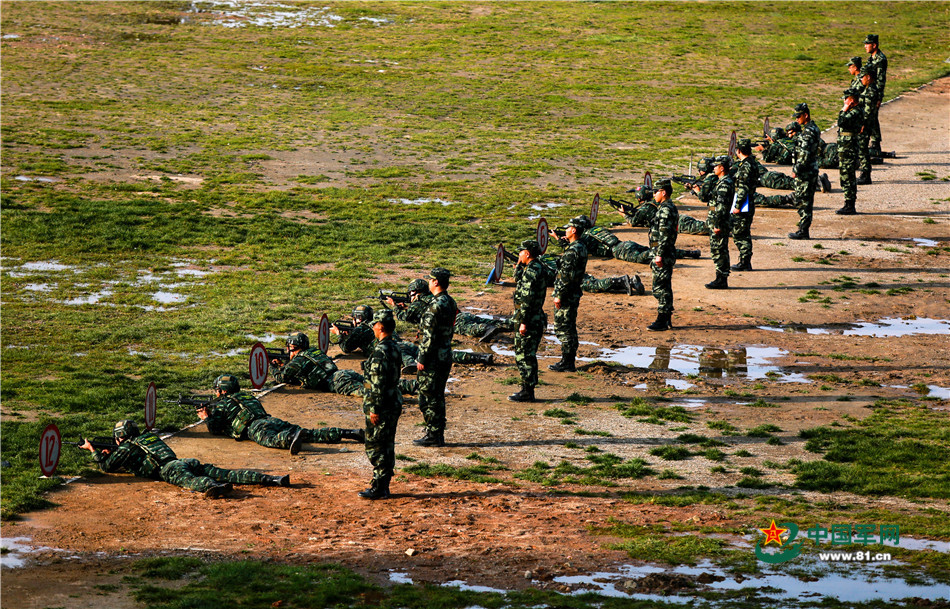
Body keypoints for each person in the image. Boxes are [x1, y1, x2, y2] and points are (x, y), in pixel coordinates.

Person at [81, 419, 289, 499]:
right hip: (184, 461)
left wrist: (92, 450)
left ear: (121, 437)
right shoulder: (147, 437)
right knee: (226, 472)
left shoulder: (127, 447)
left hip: (169, 470)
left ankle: (215, 487)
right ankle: (270, 479)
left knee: (193, 482)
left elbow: (106, 467)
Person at [197, 374, 364, 455]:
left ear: (223, 390)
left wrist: (206, 417)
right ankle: (348, 433)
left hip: (254, 427)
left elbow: (215, 428)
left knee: (270, 440)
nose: (217, 393)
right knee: (311, 433)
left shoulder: (223, 403)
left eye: (218, 390)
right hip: (270, 419)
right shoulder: (248, 396)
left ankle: (290, 438)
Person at [269, 331, 417, 396]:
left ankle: (393, 395)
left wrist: (273, 367)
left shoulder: (299, 360)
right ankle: (414, 385)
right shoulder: (314, 352)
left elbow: (282, 377)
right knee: (377, 382)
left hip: (337, 381)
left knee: (368, 392)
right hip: (344, 373)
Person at [359, 309, 403, 499]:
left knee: (377, 446)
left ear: (381, 327)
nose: (373, 328)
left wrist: (374, 409)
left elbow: (377, 384)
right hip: (392, 402)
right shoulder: (393, 347)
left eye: (375, 324)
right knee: (386, 444)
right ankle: (382, 484)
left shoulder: (380, 351)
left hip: (382, 406)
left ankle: (380, 487)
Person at [389, 278, 514, 342]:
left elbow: (405, 318)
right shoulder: (432, 297)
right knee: (488, 320)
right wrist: (406, 307)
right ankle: (512, 324)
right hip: (461, 315)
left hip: (455, 323)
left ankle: (486, 329)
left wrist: (394, 306)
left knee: (473, 329)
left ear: (415, 291)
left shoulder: (418, 302)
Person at [413, 268, 457, 447]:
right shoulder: (450, 302)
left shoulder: (435, 306)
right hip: (445, 353)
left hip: (433, 358)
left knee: (428, 397)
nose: (429, 282)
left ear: (436, 282)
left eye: (430, 280)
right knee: (437, 396)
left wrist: (422, 359)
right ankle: (436, 433)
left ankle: (433, 434)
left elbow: (428, 337)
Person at [508, 239, 549, 402]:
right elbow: (518, 281)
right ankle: (527, 388)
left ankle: (528, 391)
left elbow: (527, 298)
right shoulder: (534, 267)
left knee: (525, 355)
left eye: (521, 252)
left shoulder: (532, 271)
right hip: (532, 317)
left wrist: (523, 321)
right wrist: (518, 265)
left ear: (527, 253)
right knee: (524, 353)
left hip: (529, 319)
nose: (519, 255)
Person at [549, 216, 588, 372]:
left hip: (567, 294)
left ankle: (567, 362)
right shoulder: (580, 246)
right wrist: (559, 239)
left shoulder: (573, 251)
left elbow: (566, 276)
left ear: (573, 230)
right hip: (574, 292)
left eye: (568, 228)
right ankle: (568, 360)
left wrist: (558, 294)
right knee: (569, 327)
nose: (565, 230)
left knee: (563, 328)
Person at [788, 103, 822, 240]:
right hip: (810, 169)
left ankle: (803, 230)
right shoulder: (812, 128)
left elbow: (805, 154)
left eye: (799, 116)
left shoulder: (808, 132)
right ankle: (803, 228)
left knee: (804, 201)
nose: (797, 119)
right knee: (805, 200)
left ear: (806, 115)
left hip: (806, 171)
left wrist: (797, 169)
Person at [647, 179, 679, 331]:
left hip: (663, 253)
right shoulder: (666, 207)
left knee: (660, 287)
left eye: (656, 191)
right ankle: (665, 318)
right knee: (664, 286)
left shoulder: (666, 209)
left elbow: (665, 234)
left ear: (664, 192)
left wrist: (659, 254)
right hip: (663, 251)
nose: (654, 194)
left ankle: (662, 319)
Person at [730, 140, 760, 271]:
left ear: (738, 151)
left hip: (744, 202)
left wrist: (737, 205)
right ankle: (745, 260)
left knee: (740, 233)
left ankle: (744, 261)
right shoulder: (752, 163)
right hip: (748, 200)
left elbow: (743, 188)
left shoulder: (745, 166)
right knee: (744, 232)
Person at [705, 157, 734, 289]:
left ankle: (721, 279)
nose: (714, 168)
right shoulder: (722, 182)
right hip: (718, 222)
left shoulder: (724, 184)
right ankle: (720, 277)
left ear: (722, 168)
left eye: (716, 166)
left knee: (719, 250)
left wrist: (717, 224)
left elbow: (721, 208)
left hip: (720, 223)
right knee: (718, 250)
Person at [836, 87, 864, 215]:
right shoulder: (856, 110)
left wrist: (844, 108)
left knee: (848, 175)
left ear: (851, 100)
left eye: (846, 99)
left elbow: (841, 121)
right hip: (846, 146)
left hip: (849, 147)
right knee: (845, 174)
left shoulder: (855, 111)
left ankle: (850, 204)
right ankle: (848, 202)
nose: (844, 101)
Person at [863, 34, 887, 156]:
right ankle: (874, 141)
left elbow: (881, 80)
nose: (865, 46)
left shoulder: (880, 59)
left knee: (872, 116)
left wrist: (879, 98)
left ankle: (875, 142)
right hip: (869, 91)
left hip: (874, 93)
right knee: (871, 116)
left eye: (867, 44)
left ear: (874, 45)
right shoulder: (871, 58)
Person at [857, 68, 880, 185]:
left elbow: (868, 111)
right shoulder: (868, 89)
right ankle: (864, 173)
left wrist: (863, 125)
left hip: (866, 125)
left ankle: (865, 175)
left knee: (862, 149)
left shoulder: (871, 92)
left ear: (869, 77)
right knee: (862, 149)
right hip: (865, 124)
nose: (861, 79)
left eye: (863, 77)